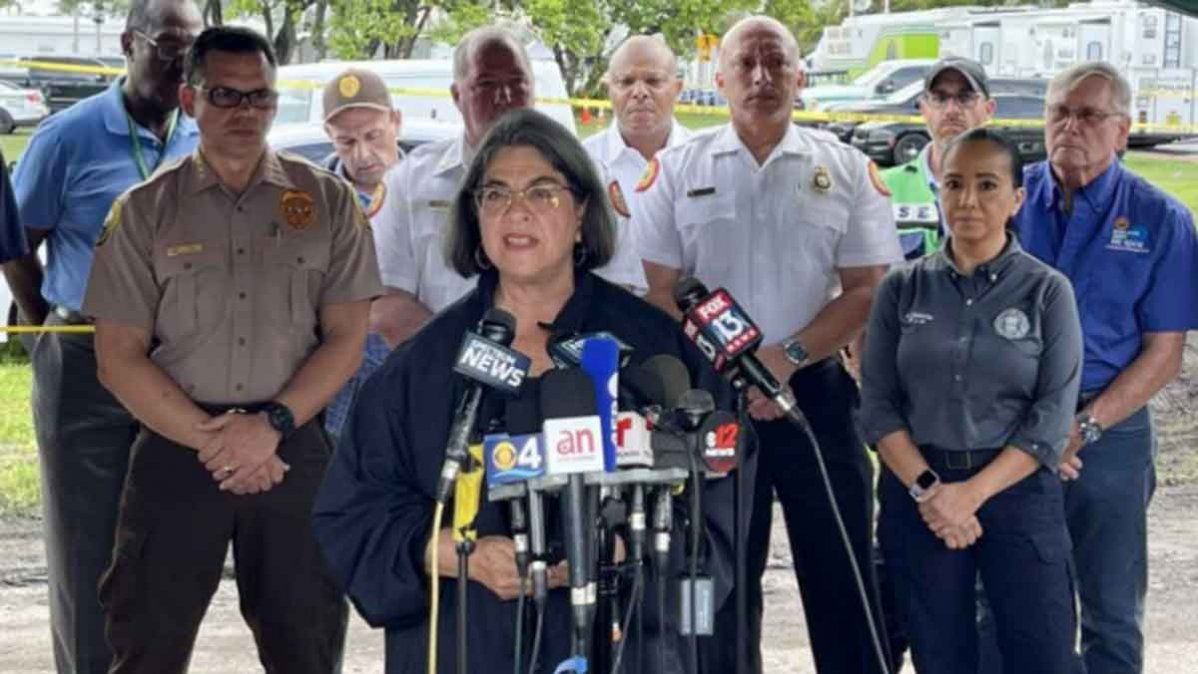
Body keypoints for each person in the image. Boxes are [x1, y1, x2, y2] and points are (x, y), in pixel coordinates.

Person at [312, 108, 744, 673]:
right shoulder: (421, 368)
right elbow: (351, 517)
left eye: (542, 192)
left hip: (626, 644)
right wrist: (455, 554)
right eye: (495, 195)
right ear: (475, 216)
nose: (517, 211)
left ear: (582, 210)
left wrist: (618, 550)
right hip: (475, 643)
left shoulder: (659, 351)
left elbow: (721, 501)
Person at [82, 25, 383, 672]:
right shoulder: (144, 211)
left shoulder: (328, 203)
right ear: (189, 101)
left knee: (307, 641)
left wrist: (268, 427)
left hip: (291, 442)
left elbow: (347, 337)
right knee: (145, 643)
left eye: (261, 97)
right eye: (226, 95)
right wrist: (218, 439)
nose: (246, 112)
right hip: (175, 446)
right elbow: (118, 356)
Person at [632, 15, 902, 674]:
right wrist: (737, 370)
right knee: (716, 575)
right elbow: (659, 289)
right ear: (718, 78)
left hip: (814, 392)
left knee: (840, 570)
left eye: (776, 62)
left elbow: (866, 288)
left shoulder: (843, 168)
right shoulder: (675, 169)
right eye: (745, 64)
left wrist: (787, 359)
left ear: (799, 75)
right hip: (712, 397)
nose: (761, 77)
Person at [3, 1, 202, 671]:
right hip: (86, 361)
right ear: (128, 43)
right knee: (89, 552)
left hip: (178, 364)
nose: (181, 62)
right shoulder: (68, 137)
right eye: (169, 45)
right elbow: (14, 243)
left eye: (193, 47)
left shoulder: (200, 137)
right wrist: (52, 331)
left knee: (168, 548)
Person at [860, 128, 1082, 673]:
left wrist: (972, 496)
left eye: (987, 185)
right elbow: (880, 405)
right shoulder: (902, 288)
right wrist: (933, 493)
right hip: (922, 495)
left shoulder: (1047, 291)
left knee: (1044, 653)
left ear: (1016, 198)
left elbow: (1050, 419)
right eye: (954, 183)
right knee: (942, 655)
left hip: (1016, 493)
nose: (968, 200)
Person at [1012, 61, 1198, 674]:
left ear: (1123, 131)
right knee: (1008, 601)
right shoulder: (1004, 201)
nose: (1070, 126)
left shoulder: (1162, 219)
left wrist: (1082, 427)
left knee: (1111, 609)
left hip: (1108, 430)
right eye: (1059, 112)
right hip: (1007, 421)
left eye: (1089, 115)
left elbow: (1164, 354)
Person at [371, 26, 646, 348]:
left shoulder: (589, 176)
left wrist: (543, 360)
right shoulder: (408, 181)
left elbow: (619, 290)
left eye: (517, 84)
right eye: (486, 85)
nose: (504, 98)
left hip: (566, 379)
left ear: (533, 91)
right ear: (457, 96)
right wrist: (474, 360)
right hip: (441, 378)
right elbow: (386, 304)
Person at [319, 67, 402, 440]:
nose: (363, 154)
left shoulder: (430, 186)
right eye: (346, 142)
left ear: (396, 121)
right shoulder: (306, 201)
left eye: (373, 136)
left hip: (416, 379)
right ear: (329, 137)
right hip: (338, 391)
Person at [881, 57, 996, 260]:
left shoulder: (1011, 191)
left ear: (989, 109)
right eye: (940, 98)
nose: (951, 110)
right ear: (924, 109)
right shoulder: (883, 189)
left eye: (965, 98)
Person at [583, 35, 692, 222]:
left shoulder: (704, 161)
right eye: (626, 82)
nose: (639, 92)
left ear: (677, 88)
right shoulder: (582, 163)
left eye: (653, 81)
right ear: (609, 90)